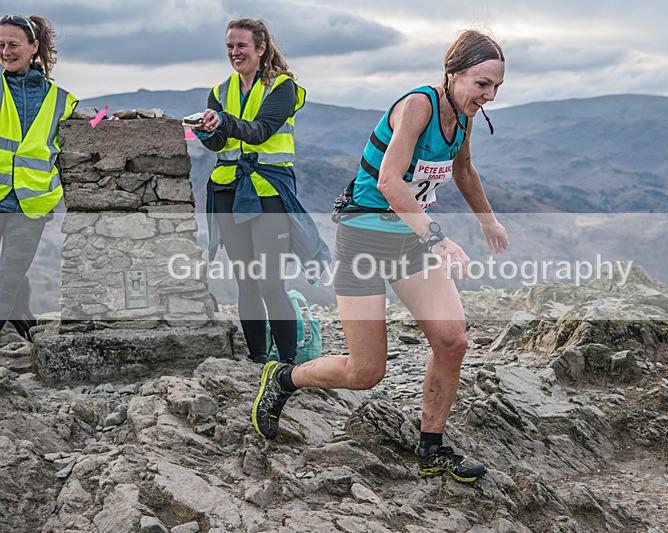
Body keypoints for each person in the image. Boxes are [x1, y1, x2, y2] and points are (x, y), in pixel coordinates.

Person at [253, 29, 509, 483]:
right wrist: (440, 238)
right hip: (364, 241)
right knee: (365, 371)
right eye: (481, 84)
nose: (488, 96)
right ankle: (283, 379)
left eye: (495, 87)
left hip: (410, 241)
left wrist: (488, 219)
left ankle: (431, 447)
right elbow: (390, 182)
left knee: (453, 341)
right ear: (452, 74)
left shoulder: (464, 117)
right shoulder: (418, 106)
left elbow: (464, 169)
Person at [195, 18, 328, 365]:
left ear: (260, 48)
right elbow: (221, 143)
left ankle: (287, 364)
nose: (234, 53)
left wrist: (222, 121)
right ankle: (256, 361)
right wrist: (206, 130)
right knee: (247, 282)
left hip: (267, 191)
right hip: (227, 190)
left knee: (270, 282)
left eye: (241, 46)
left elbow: (261, 131)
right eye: (229, 46)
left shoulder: (283, 87)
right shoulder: (220, 91)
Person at [0, 14, 77, 340]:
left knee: (7, 277)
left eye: (13, 44)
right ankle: (30, 332)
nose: (5, 51)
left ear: (33, 47)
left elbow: (77, 142)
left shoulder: (62, 100)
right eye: (0, 45)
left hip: (31, 204)